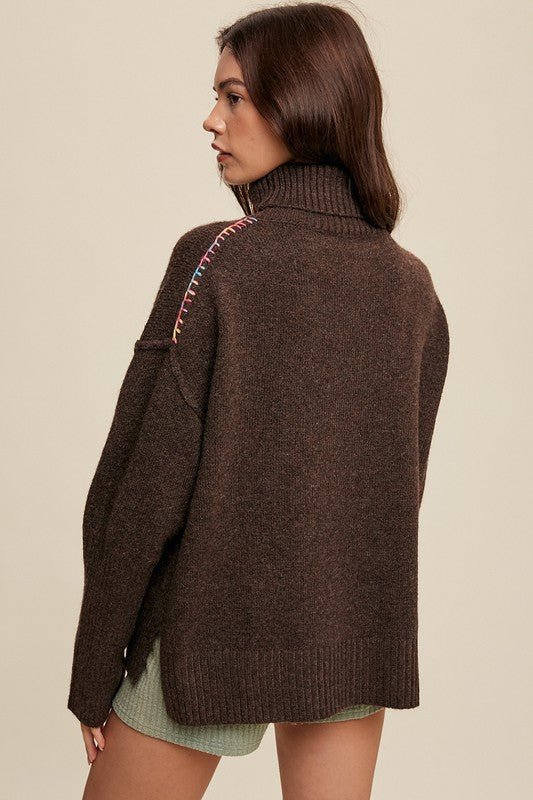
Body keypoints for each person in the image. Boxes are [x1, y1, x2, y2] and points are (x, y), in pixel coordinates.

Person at [68, 3, 450, 799]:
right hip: (349, 636)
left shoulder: (216, 260)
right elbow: (396, 490)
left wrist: (94, 665)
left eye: (233, 96)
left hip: (204, 634)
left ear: (303, 103)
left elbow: (140, 487)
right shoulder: (410, 286)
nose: (211, 120)